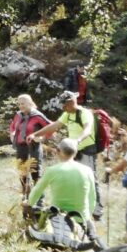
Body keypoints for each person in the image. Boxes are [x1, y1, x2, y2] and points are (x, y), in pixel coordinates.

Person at [27, 90, 102, 219]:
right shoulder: (67, 114)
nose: (63, 107)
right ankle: (73, 207)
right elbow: (54, 126)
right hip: (74, 150)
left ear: (72, 102)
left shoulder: (85, 113)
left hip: (87, 149)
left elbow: (88, 130)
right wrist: (35, 134)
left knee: (91, 180)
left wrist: (77, 140)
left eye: (65, 104)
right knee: (73, 178)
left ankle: (96, 212)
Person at [27, 138, 100, 244]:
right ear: (75, 153)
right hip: (81, 219)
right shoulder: (87, 170)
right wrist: (87, 216)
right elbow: (92, 198)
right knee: (93, 234)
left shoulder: (52, 170)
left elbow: (35, 193)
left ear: (57, 151)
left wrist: (29, 204)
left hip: (57, 218)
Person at [8, 94, 50, 195]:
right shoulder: (18, 115)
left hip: (34, 146)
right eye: (19, 104)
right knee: (22, 171)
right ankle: (25, 193)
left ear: (30, 103)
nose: (21, 106)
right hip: (21, 146)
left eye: (23, 103)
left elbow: (51, 127)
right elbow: (13, 126)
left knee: (35, 171)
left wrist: (42, 138)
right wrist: (12, 133)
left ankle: (38, 196)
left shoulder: (37, 115)